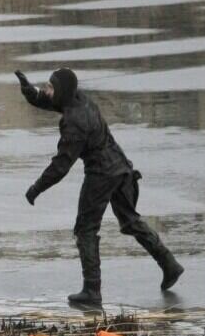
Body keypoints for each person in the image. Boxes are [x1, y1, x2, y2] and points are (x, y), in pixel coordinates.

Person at [15, 68, 184, 309]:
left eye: (51, 87)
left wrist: (36, 188)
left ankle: (92, 291)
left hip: (101, 174)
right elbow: (53, 101)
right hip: (120, 166)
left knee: (85, 229)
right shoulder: (80, 99)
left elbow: (61, 165)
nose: (47, 91)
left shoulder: (74, 123)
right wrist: (29, 91)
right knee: (130, 220)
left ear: (62, 92)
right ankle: (169, 264)